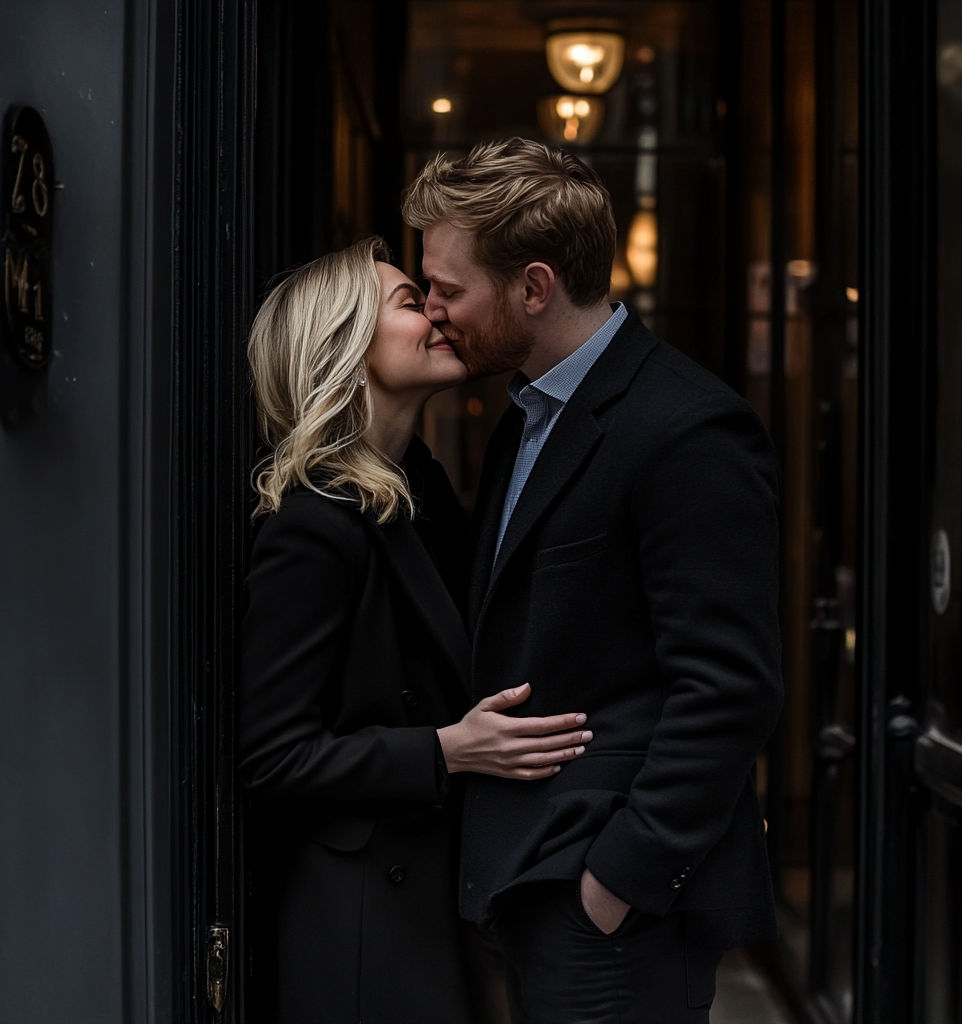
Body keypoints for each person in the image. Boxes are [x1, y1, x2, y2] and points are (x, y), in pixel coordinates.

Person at [402, 139, 785, 1024]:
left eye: (449, 289)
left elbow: (731, 688)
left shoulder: (689, 429)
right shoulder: (523, 418)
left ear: (534, 287)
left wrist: (616, 879)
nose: (431, 310)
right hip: (525, 882)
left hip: (612, 912)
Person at [238, 236, 593, 1024]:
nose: (437, 312)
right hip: (364, 930)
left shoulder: (417, 492)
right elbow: (274, 755)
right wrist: (446, 748)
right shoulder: (312, 525)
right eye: (409, 301)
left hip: (439, 904)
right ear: (343, 346)